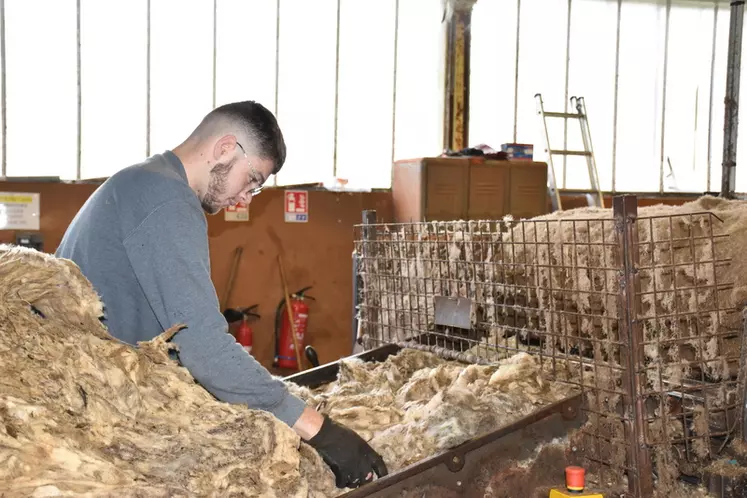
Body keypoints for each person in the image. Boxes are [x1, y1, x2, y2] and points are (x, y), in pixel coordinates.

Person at [55, 101, 388, 489]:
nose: (246, 199)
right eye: (252, 180)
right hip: (94, 409)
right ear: (225, 148)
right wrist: (322, 431)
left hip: (90, 390)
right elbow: (204, 349)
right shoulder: (167, 201)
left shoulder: (144, 181)